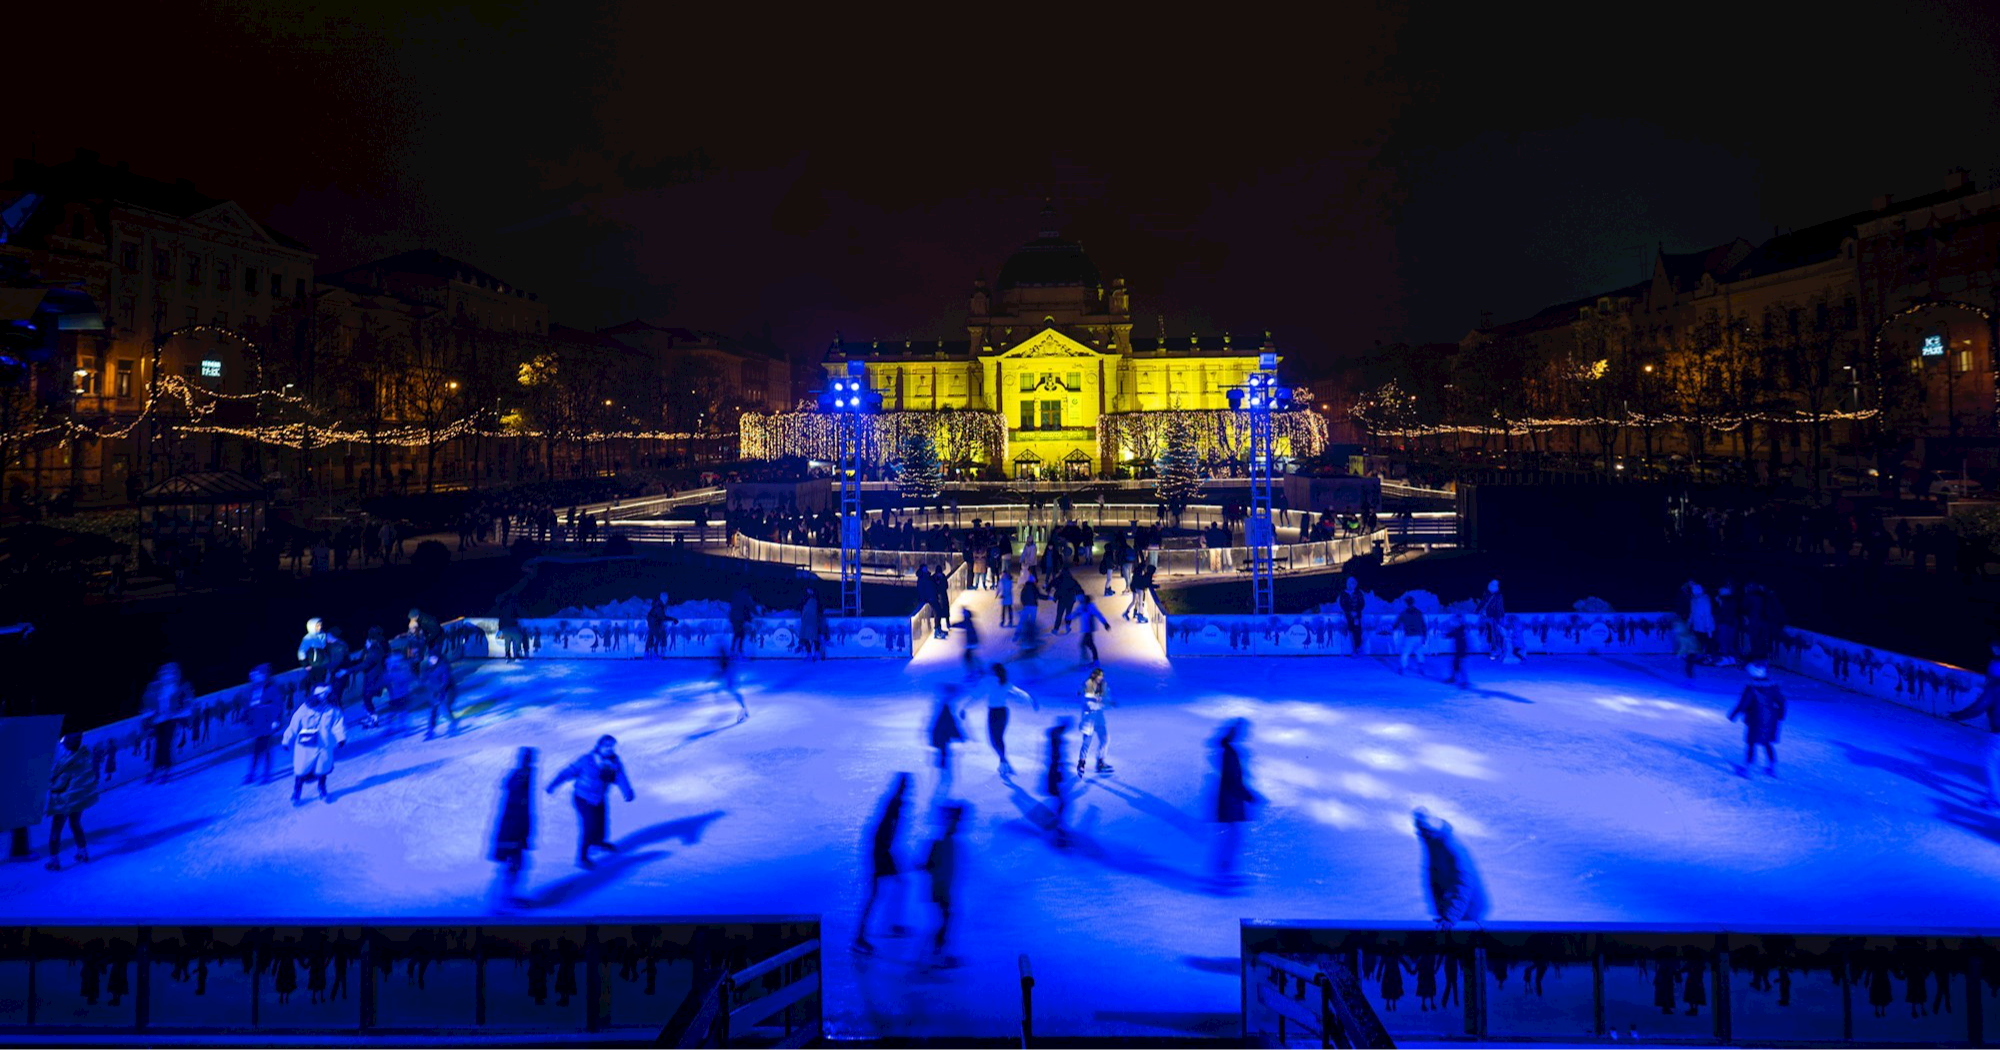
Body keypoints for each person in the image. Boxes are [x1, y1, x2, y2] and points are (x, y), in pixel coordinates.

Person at [547, 736, 635, 869]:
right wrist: (553, 784)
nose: (609, 749)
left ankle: (599, 843)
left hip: (599, 797)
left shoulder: (614, 762)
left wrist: (627, 792)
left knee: (601, 822)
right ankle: (582, 857)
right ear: (599, 746)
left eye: (612, 746)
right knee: (589, 826)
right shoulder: (587, 760)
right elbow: (568, 772)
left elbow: (620, 777)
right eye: (606, 746)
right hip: (583, 797)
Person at [853, 773, 913, 954]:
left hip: (882, 851)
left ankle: (889, 925)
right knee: (877, 894)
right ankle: (861, 936)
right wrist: (887, 856)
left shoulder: (894, 804)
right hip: (881, 852)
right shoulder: (895, 805)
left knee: (891, 889)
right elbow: (886, 833)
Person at [1209, 719, 1262, 891]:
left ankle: (1223, 872)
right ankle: (1221, 874)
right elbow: (1233, 782)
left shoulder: (1229, 752)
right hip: (1230, 803)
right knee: (1231, 838)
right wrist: (1250, 796)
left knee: (1231, 838)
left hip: (1230, 802)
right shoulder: (1229, 754)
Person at [1949, 642, 2000, 809]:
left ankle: (1994, 798)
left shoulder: (1994, 687)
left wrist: (1958, 715)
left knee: (1990, 763)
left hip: (1998, 735)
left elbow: (1978, 707)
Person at [1414, 808, 1486, 927]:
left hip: (1468, 909)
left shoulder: (1450, 846)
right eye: (1419, 830)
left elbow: (1464, 882)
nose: (1420, 834)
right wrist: (1441, 911)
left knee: (1465, 941)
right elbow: (1434, 878)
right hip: (1453, 910)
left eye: (1423, 830)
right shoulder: (1433, 844)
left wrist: (1450, 916)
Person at [282, 683, 348, 804]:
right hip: (306, 745)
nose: (324, 696)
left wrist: (341, 738)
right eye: (322, 694)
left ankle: (322, 789)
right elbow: (294, 725)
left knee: (322, 768)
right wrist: (287, 740)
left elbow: (338, 724)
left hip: (324, 744)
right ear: (316, 694)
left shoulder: (333, 709)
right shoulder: (305, 708)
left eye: (326, 694)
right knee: (301, 769)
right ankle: (296, 792)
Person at [45, 732, 98, 871]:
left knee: (56, 829)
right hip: (78, 799)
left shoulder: (63, 762)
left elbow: (58, 784)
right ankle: (83, 853)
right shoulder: (83, 757)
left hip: (64, 801)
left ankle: (54, 861)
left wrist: (49, 783)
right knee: (75, 824)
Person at [922, 804, 966, 968]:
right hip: (941, 889)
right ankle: (936, 954)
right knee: (946, 919)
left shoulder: (946, 841)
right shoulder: (943, 842)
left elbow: (929, 865)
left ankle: (936, 953)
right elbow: (931, 865)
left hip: (943, 888)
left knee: (946, 919)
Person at [492, 747, 536, 909]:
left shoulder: (524, 774)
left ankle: (506, 899)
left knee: (515, 865)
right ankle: (502, 903)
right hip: (512, 829)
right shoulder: (522, 777)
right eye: (529, 758)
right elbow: (517, 805)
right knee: (513, 865)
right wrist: (520, 832)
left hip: (515, 828)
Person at [1728, 662, 1788, 778]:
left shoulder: (1751, 688)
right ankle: (1772, 768)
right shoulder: (1773, 686)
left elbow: (1743, 703)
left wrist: (1733, 715)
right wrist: (1781, 715)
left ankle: (1746, 769)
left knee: (1751, 743)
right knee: (1767, 743)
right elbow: (1782, 702)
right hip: (1771, 719)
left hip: (1755, 718)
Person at [974, 663, 1035, 777]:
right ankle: (1003, 762)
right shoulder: (1004, 682)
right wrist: (1031, 700)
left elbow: (976, 695)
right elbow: (1019, 692)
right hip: (1003, 712)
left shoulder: (988, 681)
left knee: (994, 740)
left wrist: (965, 708)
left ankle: (1003, 762)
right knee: (999, 739)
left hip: (994, 713)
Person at [141, 663, 195, 782]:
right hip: (157, 721)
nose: (167, 677)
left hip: (171, 720)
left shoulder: (180, 686)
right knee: (158, 746)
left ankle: (166, 770)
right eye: (165, 674)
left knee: (166, 745)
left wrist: (179, 712)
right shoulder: (155, 687)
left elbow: (188, 702)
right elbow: (147, 702)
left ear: (175, 675)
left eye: (169, 674)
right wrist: (148, 715)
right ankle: (153, 770)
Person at [240, 664, 284, 784]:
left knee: (266, 749)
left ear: (264, 676)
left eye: (258, 675)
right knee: (256, 750)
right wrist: (245, 718)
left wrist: (276, 720)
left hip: (266, 722)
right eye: (254, 675)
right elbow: (248, 706)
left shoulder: (271, 688)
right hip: (257, 724)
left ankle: (266, 774)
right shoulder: (253, 689)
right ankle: (252, 774)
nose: (255, 677)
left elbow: (278, 705)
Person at [927, 684, 966, 793]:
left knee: (943, 752)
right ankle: (943, 771)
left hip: (941, 735)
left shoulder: (944, 707)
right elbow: (949, 724)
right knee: (944, 752)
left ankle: (943, 768)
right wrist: (959, 735)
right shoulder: (945, 708)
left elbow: (949, 723)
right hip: (941, 735)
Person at [1077, 668, 1114, 776]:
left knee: (1105, 738)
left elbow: (1107, 701)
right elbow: (1089, 703)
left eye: (1101, 677)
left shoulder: (1103, 686)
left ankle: (1100, 761)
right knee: (1086, 743)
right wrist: (1100, 702)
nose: (1100, 679)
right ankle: (1081, 763)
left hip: (1099, 718)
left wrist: (1105, 701)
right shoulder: (1087, 684)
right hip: (1088, 719)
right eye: (1099, 676)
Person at [1045, 718, 1073, 847]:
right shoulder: (1056, 742)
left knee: (1060, 801)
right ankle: (1059, 827)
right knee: (1062, 802)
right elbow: (1057, 759)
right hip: (1054, 775)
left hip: (1054, 774)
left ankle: (1058, 823)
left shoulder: (1055, 740)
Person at [418, 650, 458, 739]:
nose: (432, 660)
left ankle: (453, 724)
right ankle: (431, 729)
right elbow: (424, 678)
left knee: (445, 709)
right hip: (434, 692)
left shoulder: (443, 667)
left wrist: (441, 691)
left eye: (434, 658)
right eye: (431, 659)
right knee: (433, 711)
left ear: (438, 659)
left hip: (444, 691)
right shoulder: (428, 667)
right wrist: (422, 682)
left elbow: (445, 680)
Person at [1071, 592, 1111, 665]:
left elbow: (1099, 615)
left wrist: (1105, 623)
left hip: (1089, 629)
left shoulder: (1091, 607)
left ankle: (1087, 661)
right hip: (1085, 629)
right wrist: (1068, 618)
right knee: (1089, 644)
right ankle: (1094, 660)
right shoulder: (1082, 607)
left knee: (1084, 645)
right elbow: (1076, 614)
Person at [1393, 596, 1428, 675]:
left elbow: (1396, 624)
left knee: (1405, 652)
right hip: (1419, 636)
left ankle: (1403, 668)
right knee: (1419, 652)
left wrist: (1392, 628)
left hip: (1409, 636)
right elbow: (1423, 625)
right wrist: (1424, 636)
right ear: (1413, 602)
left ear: (1406, 603)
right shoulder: (1419, 612)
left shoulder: (1403, 613)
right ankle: (1421, 668)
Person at [1480, 580, 1511, 662]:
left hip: (1496, 618)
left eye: (1492, 585)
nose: (1490, 586)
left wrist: (1498, 619)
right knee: (1492, 635)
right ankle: (1496, 651)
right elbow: (1483, 603)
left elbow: (1499, 608)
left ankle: (1497, 652)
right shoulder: (1488, 594)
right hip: (1490, 618)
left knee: (1497, 635)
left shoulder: (1498, 595)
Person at [1338, 578, 1367, 656]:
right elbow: (1342, 604)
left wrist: (1356, 612)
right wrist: (1349, 612)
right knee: (1350, 633)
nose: (1352, 585)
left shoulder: (1358, 593)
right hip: (1348, 616)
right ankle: (1353, 650)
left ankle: (1358, 649)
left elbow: (1362, 604)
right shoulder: (1343, 593)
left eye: (1354, 583)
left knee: (1357, 632)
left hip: (1357, 616)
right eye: (1350, 583)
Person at [799, 589, 825, 661]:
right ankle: (814, 655)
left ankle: (812, 655)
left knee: (809, 638)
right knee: (812, 638)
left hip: (809, 621)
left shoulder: (807, 600)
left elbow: (801, 609)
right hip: (811, 621)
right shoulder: (815, 600)